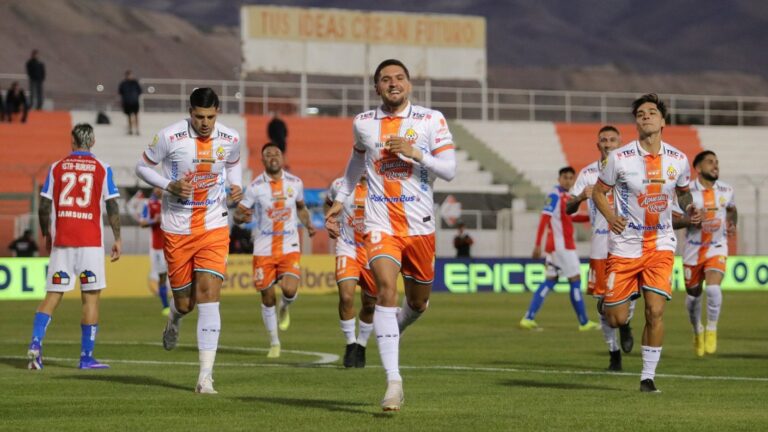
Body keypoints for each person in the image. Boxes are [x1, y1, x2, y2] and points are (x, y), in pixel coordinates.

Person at [325, 59, 457, 411]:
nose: (393, 83)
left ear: (409, 84)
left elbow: (450, 170)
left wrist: (418, 154)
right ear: (376, 88)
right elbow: (356, 162)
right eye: (385, 79)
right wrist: (341, 199)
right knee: (384, 290)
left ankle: (392, 330)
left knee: (417, 303)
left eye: (399, 78)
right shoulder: (364, 123)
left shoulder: (431, 120)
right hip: (380, 224)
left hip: (420, 227)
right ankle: (393, 383)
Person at [135, 87, 243, 394]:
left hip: (214, 225)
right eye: (199, 116)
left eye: (210, 116)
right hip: (177, 229)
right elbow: (142, 167)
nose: (205, 122)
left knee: (209, 294)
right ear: (190, 111)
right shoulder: (170, 137)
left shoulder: (231, 138)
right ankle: (174, 318)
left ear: (217, 112)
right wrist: (169, 185)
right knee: (185, 303)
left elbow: (233, 164)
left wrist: (236, 187)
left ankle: (205, 377)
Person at [593, 93, 701, 393]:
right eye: (640, 113)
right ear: (636, 122)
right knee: (613, 319)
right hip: (625, 245)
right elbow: (599, 193)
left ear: (663, 121)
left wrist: (689, 206)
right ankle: (619, 308)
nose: (646, 116)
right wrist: (611, 216)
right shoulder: (619, 158)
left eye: (652, 112)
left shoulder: (678, 160)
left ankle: (647, 377)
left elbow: (682, 194)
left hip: (661, 244)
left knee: (655, 312)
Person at [26, 123, 122, 370]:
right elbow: (112, 206)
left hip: (63, 242)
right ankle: (86, 358)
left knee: (52, 296)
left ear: (72, 141)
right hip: (90, 243)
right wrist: (117, 238)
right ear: (93, 142)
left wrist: (47, 232)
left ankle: (35, 345)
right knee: (90, 299)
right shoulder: (102, 168)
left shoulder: (57, 167)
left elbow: (44, 206)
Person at [234, 143, 315, 358]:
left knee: (289, 290)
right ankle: (274, 342)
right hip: (263, 248)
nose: (272, 157)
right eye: (268, 154)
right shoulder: (255, 187)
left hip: (289, 244)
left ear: (282, 157)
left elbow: (301, 208)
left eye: (276, 153)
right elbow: (238, 214)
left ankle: (285, 307)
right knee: (267, 296)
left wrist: (307, 224)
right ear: (262, 160)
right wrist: (242, 217)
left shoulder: (295, 183)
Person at [566, 125, 635, 371]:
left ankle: (626, 323)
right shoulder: (588, 173)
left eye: (612, 139)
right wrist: (579, 198)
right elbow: (568, 209)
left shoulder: (631, 168)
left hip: (628, 244)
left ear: (620, 143)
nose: (607, 143)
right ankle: (613, 353)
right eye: (603, 140)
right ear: (598, 145)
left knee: (630, 297)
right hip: (600, 246)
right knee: (602, 304)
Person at [520, 167, 599, 332]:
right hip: (561, 247)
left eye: (571, 178)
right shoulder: (554, 195)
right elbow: (544, 219)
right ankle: (584, 322)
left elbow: (572, 217)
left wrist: (592, 216)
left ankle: (528, 318)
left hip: (558, 247)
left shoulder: (566, 197)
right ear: (559, 179)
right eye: (565, 177)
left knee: (550, 280)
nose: (568, 181)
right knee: (575, 280)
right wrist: (537, 244)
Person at [676, 150, 737, 357]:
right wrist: (690, 218)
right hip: (693, 249)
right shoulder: (687, 192)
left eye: (717, 162)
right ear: (699, 168)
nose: (715, 165)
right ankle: (697, 330)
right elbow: (675, 219)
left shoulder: (727, 189)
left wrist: (732, 223)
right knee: (693, 298)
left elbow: (732, 209)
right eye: (710, 162)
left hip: (717, 246)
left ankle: (711, 328)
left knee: (713, 289)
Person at [325, 176, 377, 368]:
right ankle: (350, 343)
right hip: (347, 247)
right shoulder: (339, 185)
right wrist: (330, 220)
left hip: (374, 250)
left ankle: (362, 344)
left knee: (370, 304)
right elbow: (329, 204)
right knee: (346, 297)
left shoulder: (382, 185)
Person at [139, 187, 170, 315]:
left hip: (174, 245)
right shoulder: (149, 204)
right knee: (162, 276)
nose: (159, 190)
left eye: (161, 187)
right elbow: (142, 222)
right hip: (158, 248)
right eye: (156, 187)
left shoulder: (170, 202)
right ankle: (166, 306)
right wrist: (154, 221)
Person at [118, 70, 142, 135]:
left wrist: (135, 96)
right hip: (127, 102)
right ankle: (130, 130)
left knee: (136, 115)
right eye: (128, 75)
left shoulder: (135, 83)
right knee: (129, 116)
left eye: (130, 75)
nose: (129, 76)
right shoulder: (123, 83)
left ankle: (137, 130)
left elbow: (140, 91)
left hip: (134, 101)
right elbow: (120, 92)